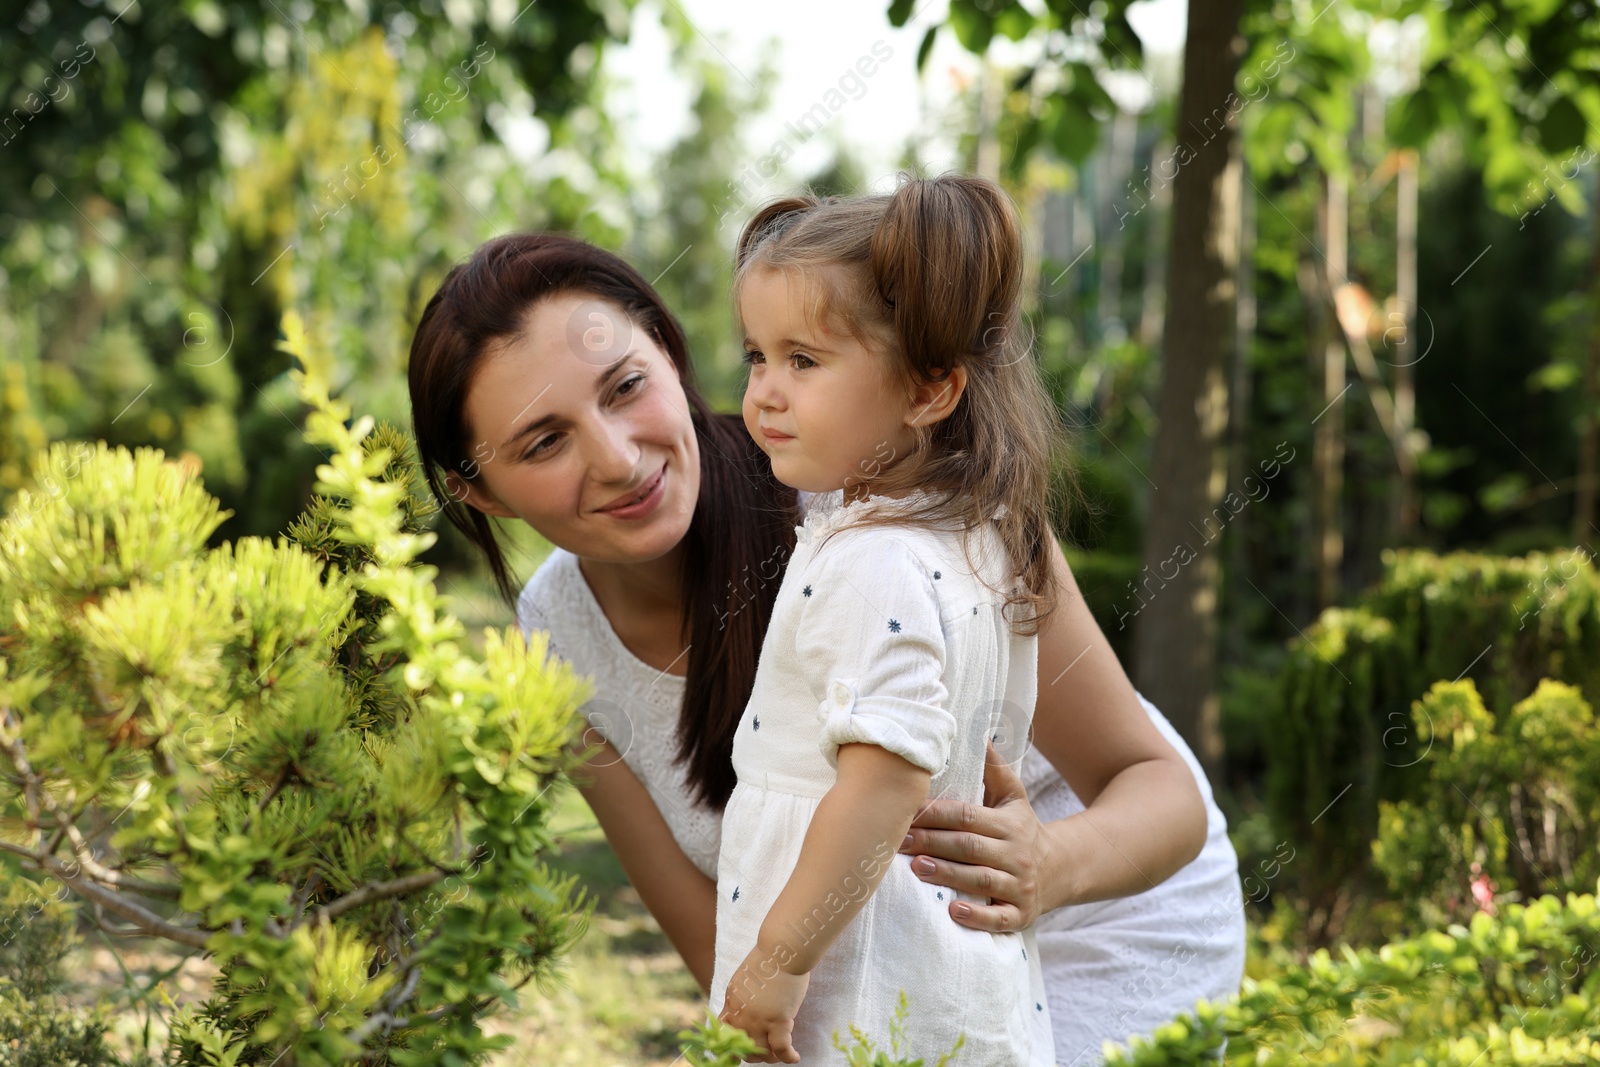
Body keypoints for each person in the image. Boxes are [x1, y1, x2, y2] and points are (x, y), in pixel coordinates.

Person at [407, 219, 1245, 1066]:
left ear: (669, 352)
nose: (619, 458)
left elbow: (1158, 790)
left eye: (625, 386)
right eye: (545, 441)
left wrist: (1049, 865)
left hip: (1105, 914)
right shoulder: (557, 637)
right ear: (478, 493)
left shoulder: (897, 490)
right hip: (891, 971)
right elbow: (729, 963)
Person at [708, 176, 1058, 1063]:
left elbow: (884, 779)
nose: (765, 392)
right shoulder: (972, 537)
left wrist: (781, 960)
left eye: (804, 360)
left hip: (858, 984)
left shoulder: (873, 561)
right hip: (940, 974)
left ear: (929, 390)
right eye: (756, 356)